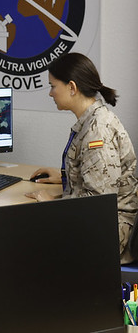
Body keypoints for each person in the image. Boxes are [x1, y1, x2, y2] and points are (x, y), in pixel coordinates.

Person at [27, 52, 138, 263]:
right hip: (99, 224)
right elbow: (100, 176)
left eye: (53, 86)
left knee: (26, 238)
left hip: (109, 233)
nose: (50, 93)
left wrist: (52, 203)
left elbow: (98, 204)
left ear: (72, 87)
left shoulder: (98, 131)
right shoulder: (92, 120)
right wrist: (65, 176)